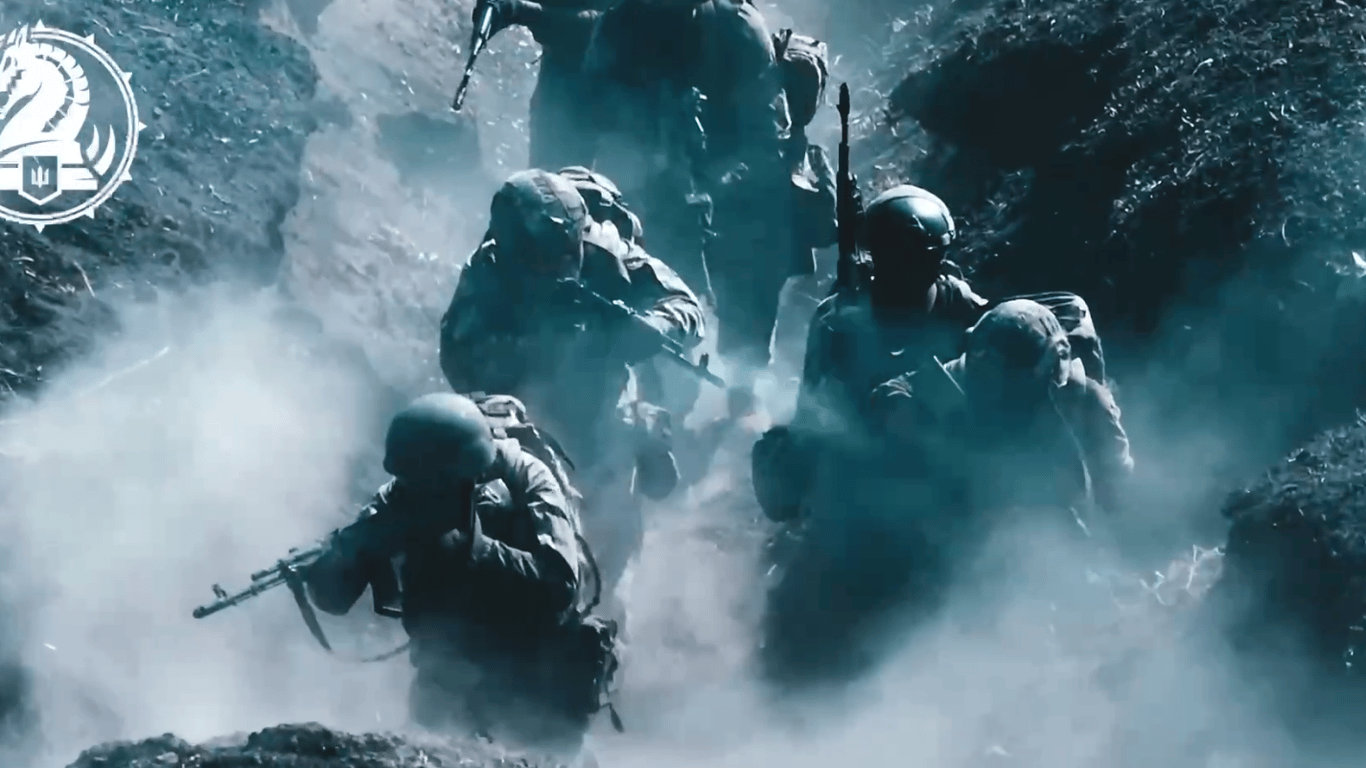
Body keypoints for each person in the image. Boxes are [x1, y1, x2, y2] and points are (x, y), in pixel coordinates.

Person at [439, 169, 706, 609]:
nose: (563, 266)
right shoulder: (486, 274)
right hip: (522, 423)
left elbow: (684, 305)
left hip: (604, 414)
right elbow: (457, 360)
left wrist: (656, 325)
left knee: (608, 548)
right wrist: (522, 361)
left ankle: (606, 624)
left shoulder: (606, 250)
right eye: (545, 258)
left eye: (567, 252)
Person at [304, 393, 619, 757]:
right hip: (447, 677)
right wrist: (346, 554)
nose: (421, 492)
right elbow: (333, 598)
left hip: (537, 676)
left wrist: (475, 548)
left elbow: (561, 585)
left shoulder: (527, 477)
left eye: (433, 483)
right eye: (413, 481)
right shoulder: (399, 495)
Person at [752, 184, 987, 525]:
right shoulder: (837, 319)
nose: (915, 268)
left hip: (943, 452)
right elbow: (814, 411)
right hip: (864, 465)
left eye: (923, 257)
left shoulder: (958, 302)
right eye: (905, 258)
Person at [871, 298, 1134, 519]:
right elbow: (889, 396)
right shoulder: (960, 379)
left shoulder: (1084, 403)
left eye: (1015, 384)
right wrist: (938, 443)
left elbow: (1116, 485)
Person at [479, 0, 611, 169]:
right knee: (543, 175)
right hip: (555, 95)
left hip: (609, 110)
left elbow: (608, 23)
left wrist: (523, 11)